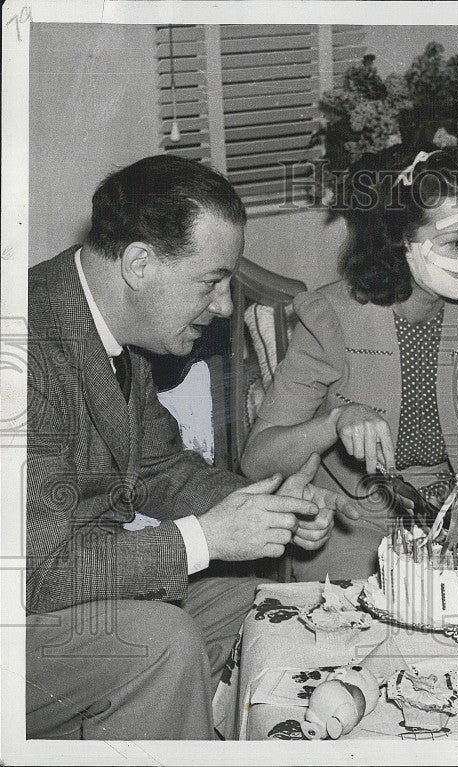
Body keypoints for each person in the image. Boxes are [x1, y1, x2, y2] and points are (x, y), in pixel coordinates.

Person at [26, 154, 358, 739]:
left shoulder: (113, 328)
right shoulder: (27, 350)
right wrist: (206, 538)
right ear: (138, 263)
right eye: (211, 281)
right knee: (160, 644)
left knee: (251, 596)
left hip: (56, 602)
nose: (227, 305)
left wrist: (272, 503)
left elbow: (160, 468)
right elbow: (38, 572)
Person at [241, 148, 458, 581]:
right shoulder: (330, 318)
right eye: (455, 241)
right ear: (401, 239)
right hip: (352, 528)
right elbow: (258, 460)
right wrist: (335, 423)